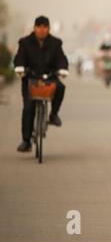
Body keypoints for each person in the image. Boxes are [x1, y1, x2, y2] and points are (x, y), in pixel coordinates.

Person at [13, 16, 69, 152]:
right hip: (30, 79)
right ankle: (26, 141)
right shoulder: (25, 43)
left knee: (61, 87)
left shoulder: (56, 43)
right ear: (34, 28)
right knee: (28, 108)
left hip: (49, 77)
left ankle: (54, 114)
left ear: (48, 29)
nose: (42, 29)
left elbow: (62, 59)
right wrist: (20, 68)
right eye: (39, 26)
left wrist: (62, 69)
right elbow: (19, 58)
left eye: (45, 27)